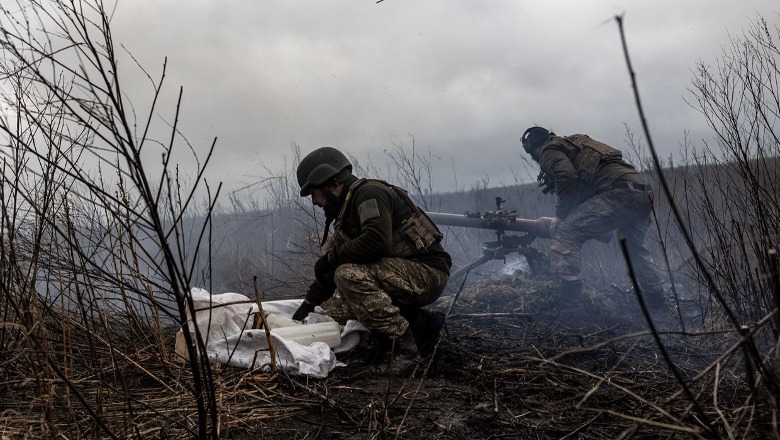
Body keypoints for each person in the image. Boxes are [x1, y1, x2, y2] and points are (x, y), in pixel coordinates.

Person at [291, 146, 452, 373]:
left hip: (427, 272)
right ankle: (420, 325)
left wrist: (332, 258)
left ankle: (406, 351)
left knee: (347, 276)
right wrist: (305, 308)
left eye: (312, 193)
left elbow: (376, 241)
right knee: (336, 313)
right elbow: (329, 273)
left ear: (329, 182)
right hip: (403, 274)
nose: (314, 202)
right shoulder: (347, 209)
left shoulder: (369, 194)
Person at [520, 126, 668, 311]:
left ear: (532, 147)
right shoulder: (576, 141)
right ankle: (658, 305)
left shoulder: (548, 150)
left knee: (565, 233)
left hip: (619, 193)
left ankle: (571, 307)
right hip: (641, 193)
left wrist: (561, 215)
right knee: (635, 249)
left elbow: (565, 175)